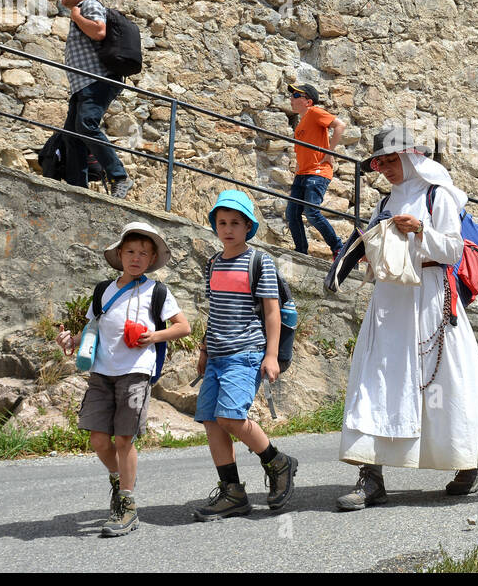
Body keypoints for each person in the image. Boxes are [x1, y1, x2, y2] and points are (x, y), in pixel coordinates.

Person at [334, 127, 478, 511]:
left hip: (431, 294)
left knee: (445, 379)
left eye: (391, 159)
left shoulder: (439, 197)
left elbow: (453, 250)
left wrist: (421, 230)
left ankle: (469, 462)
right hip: (389, 299)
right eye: (380, 162)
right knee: (375, 378)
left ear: (411, 157)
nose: (385, 168)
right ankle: (370, 478)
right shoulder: (385, 203)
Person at [57, 221, 190, 537]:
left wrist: (153, 336)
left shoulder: (157, 292)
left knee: (124, 439)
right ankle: (119, 480)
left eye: (144, 253)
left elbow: (183, 327)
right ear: (119, 254)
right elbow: (93, 328)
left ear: (152, 258)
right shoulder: (103, 290)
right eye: (130, 251)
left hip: (135, 373)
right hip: (101, 373)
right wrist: (72, 341)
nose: (136, 257)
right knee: (98, 439)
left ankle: (127, 506)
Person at [191, 189, 298, 519]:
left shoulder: (258, 261)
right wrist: (205, 350)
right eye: (222, 222)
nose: (228, 228)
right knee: (211, 421)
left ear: (248, 226)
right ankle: (233, 492)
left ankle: (278, 462)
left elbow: (271, 312)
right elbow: (216, 311)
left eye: (235, 222)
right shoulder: (213, 263)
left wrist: (270, 355)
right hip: (218, 356)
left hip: (246, 353)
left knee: (230, 417)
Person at [57, 0, 132, 199]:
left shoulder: (88, 5)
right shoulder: (78, 11)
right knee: (72, 135)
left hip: (97, 80)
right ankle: (77, 188)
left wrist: (77, 15)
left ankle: (120, 176)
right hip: (82, 84)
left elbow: (99, 31)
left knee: (86, 125)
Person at [287, 83, 345, 258]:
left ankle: (338, 248)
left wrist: (329, 151)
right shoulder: (300, 125)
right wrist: (297, 173)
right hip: (303, 174)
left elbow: (340, 125)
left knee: (311, 212)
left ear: (308, 101)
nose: (291, 98)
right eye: (292, 95)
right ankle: (301, 251)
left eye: (296, 96)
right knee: (292, 213)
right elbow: (301, 152)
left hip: (317, 172)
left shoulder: (314, 112)